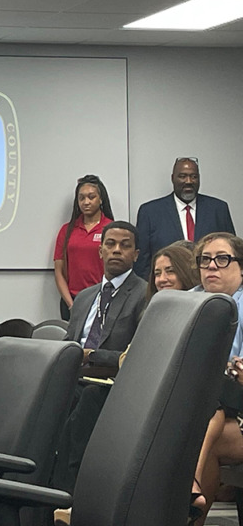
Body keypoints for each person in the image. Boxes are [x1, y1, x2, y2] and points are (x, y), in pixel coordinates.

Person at [51, 221, 148, 494]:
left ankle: (65, 498)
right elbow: (68, 344)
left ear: (136, 254)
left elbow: (140, 354)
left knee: (83, 401)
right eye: (110, 244)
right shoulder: (83, 297)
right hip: (73, 379)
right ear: (100, 252)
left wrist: (92, 355)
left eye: (125, 245)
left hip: (110, 386)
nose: (117, 250)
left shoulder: (144, 294)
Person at [187, 233, 243, 524]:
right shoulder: (187, 301)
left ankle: (189, 489)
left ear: (241, 267)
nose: (212, 267)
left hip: (238, 401)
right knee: (201, 424)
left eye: (222, 259)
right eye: (205, 260)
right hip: (205, 403)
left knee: (204, 408)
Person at [134, 157, 235, 280]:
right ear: (172, 178)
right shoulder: (150, 212)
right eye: (182, 176)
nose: (188, 181)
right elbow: (142, 261)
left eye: (194, 176)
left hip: (210, 287)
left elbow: (232, 251)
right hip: (167, 288)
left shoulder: (218, 209)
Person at [53, 175, 114, 320]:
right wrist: (71, 304)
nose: (86, 202)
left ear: (100, 200)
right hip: (72, 301)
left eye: (91, 197)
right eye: (81, 198)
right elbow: (59, 271)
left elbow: (118, 270)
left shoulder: (111, 229)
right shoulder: (67, 230)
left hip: (103, 301)